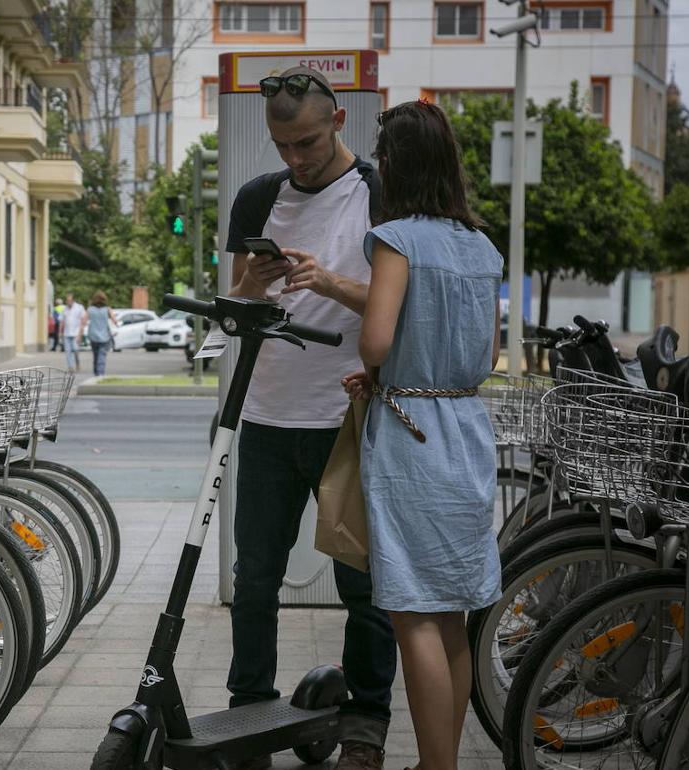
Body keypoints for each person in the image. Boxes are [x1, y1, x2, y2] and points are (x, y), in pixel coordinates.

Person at [224, 66, 396, 770]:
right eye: (282, 144)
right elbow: (236, 311)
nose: (295, 158)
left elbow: (399, 300)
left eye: (307, 142)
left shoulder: (381, 193)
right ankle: (248, 718)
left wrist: (327, 280)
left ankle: (364, 728)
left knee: (364, 586)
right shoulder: (257, 198)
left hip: (348, 415)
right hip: (266, 413)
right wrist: (249, 285)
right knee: (255, 578)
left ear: (339, 123)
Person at [338, 100, 502, 770]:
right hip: (466, 426)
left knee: (413, 616)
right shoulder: (480, 245)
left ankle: (436, 767)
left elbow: (376, 338)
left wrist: (380, 371)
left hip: (411, 438)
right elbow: (486, 357)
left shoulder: (397, 238)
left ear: (395, 166)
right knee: (454, 612)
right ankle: (444, 762)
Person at [83, 290, 118, 377]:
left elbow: (83, 321)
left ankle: (96, 373)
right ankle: (100, 373)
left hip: (93, 336)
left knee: (95, 355)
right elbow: (115, 321)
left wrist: (80, 335)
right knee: (102, 355)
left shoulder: (90, 309)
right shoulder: (107, 309)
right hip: (105, 336)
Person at [59, 292, 86, 373]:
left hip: (76, 333)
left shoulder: (79, 307)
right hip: (66, 333)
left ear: (73, 300)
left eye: (70, 300)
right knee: (68, 351)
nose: (68, 302)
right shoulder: (64, 309)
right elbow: (62, 321)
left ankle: (77, 362)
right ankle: (70, 367)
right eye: (67, 300)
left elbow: (83, 321)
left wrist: (80, 334)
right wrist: (60, 332)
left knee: (75, 349)